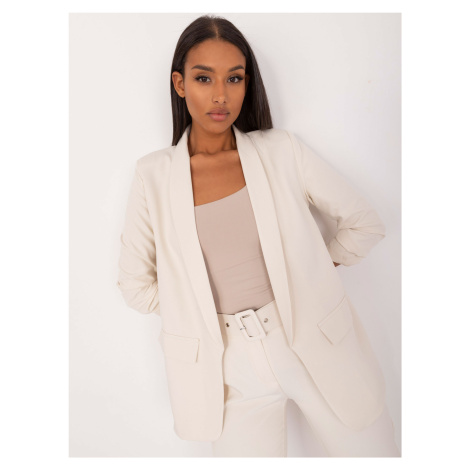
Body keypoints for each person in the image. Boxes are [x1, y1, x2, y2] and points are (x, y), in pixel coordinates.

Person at [117, 14, 400, 457]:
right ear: (179, 84)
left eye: (234, 78)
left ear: (247, 84)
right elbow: (135, 285)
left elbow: (364, 223)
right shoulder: (152, 176)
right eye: (204, 78)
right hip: (227, 370)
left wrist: (313, 269)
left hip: (313, 342)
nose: (220, 94)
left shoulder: (281, 151)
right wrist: (193, 307)